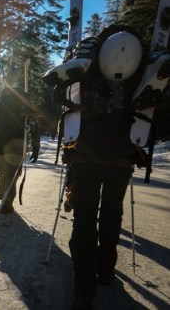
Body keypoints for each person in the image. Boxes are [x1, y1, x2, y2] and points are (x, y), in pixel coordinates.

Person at [43, 25, 155, 310]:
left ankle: (83, 293)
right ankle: (105, 271)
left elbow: (65, 107)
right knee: (111, 215)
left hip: (86, 156)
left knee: (84, 219)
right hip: (121, 157)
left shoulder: (88, 72)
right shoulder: (141, 70)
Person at [0, 87, 40, 214]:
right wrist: (36, 147)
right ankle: (7, 204)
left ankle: (1, 193)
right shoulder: (24, 107)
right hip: (17, 144)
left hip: (0, 144)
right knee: (13, 174)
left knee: (4, 170)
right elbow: (34, 127)